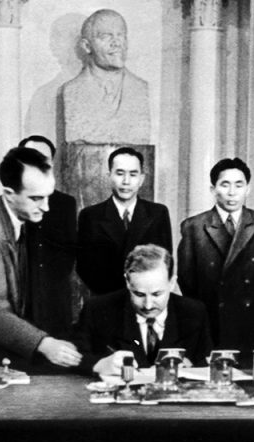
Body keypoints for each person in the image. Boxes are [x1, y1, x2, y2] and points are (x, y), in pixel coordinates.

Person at [0, 146, 82, 371]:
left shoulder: (15, 215)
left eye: (48, 197)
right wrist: (44, 344)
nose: (46, 207)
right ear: (9, 194)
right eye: (36, 198)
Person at [177, 158, 254, 366]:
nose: (232, 192)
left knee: (251, 379)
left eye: (239, 185)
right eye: (225, 185)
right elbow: (187, 281)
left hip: (251, 323)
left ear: (248, 189)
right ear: (213, 189)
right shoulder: (194, 227)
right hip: (210, 323)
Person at [73, 244, 211, 375]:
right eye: (139, 294)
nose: (148, 305)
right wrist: (99, 364)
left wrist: (192, 368)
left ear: (172, 283)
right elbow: (75, 357)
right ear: (127, 282)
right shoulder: (98, 309)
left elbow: (206, 361)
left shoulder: (194, 312)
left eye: (157, 294)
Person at [77, 147, 172, 295]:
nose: (126, 181)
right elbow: (84, 266)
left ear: (141, 179)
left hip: (145, 298)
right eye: (120, 173)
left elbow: (166, 262)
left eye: (133, 174)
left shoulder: (158, 213)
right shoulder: (90, 216)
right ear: (109, 176)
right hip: (105, 299)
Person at [59, 8, 150, 144]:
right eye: (106, 36)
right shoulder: (72, 90)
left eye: (121, 35)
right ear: (87, 46)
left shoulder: (140, 88)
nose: (116, 43)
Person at [18, 135, 77, 337]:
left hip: (55, 300)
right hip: (19, 297)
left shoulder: (65, 204)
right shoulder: (10, 203)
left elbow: (69, 253)